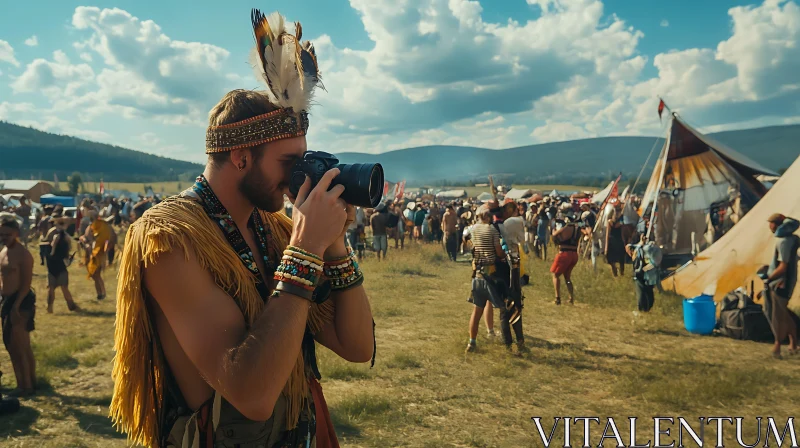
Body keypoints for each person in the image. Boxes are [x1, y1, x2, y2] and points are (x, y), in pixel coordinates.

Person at [110, 13, 375, 448]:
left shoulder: (274, 228)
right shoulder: (168, 237)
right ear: (240, 157)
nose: (298, 180)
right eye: (289, 165)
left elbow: (357, 346)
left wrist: (334, 244)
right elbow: (252, 394)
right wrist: (305, 249)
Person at [0, 218, 36, 397]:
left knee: (21, 345)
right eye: (2, 234)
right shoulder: (3, 252)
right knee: (10, 345)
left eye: (8, 234)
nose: (4, 237)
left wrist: (16, 305)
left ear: (16, 233)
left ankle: (27, 386)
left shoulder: (24, 255)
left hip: (20, 303)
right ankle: (21, 382)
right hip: (6, 302)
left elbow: (26, 284)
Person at [465, 205, 505, 353]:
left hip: (477, 274)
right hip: (490, 273)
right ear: (488, 217)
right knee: (502, 307)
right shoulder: (492, 230)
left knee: (477, 311)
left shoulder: (473, 229)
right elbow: (498, 251)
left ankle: (472, 342)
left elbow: (468, 243)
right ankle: (506, 339)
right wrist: (503, 256)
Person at [760, 214, 799, 359]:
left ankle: (777, 345)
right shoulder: (790, 240)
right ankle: (793, 342)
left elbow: (783, 266)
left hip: (781, 283)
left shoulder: (784, 242)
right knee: (783, 313)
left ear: (776, 225)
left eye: (770, 223)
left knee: (777, 315)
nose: (769, 226)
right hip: (779, 282)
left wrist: (768, 278)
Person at [46, 212, 79, 313]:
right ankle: (50, 308)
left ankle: (71, 306)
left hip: (57, 262)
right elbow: (51, 248)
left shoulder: (64, 235)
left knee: (62, 286)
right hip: (54, 263)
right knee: (53, 287)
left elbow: (65, 248)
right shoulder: (54, 234)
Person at [626, 233, 662, 313]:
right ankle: (642, 309)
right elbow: (631, 246)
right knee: (641, 292)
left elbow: (655, 260)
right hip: (640, 271)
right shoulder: (639, 238)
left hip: (649, 271)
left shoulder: (654, 243)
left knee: (649, 293)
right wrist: (636, 244)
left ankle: (646, 308)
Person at [81, 207, 110, 300]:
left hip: (97, 253)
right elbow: (86, 237)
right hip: (91, 253)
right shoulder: (90, 227)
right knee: (95, 274)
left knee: (96, 274)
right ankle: (100, 293)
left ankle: (102, 293)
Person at [551, 218, 580, 305]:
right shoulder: (577, 229)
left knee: (555, 275)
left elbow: (554, 235)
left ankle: (557, 298)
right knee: (567, 277)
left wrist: (554, 229)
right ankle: (571, 298)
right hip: (574, 254)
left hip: (564, 254)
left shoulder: (566, 228)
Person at [604, 207, 626, 277]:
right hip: (618, 241)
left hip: (613, 241)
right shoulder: (620, 223)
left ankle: (616, 273)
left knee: (612, 259)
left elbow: (607, 235)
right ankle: (620, 273)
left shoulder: (610, 222)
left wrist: (606, 247)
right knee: (619, 259)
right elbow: (622, 234)